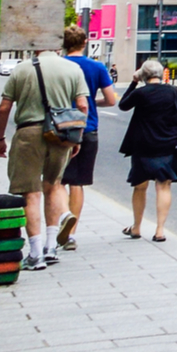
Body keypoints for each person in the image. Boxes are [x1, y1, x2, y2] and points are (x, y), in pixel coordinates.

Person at [0, 40, 89, 269]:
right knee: (54, 185)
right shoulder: (72, 69)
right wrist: (78, 137)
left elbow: (4, 107)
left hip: (29, 133)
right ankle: (51, 247)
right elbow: (83, 106)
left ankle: (35, 253)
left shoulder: (23, 68)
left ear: (36, 47)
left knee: (30, 192)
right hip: (61, 134)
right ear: (58, 47)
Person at [58, 25, 119, 253]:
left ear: (63, 44)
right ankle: (71, 233)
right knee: (78, 183)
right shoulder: (96, 67)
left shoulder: (59, 65)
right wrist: (94, 103)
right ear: (84, 43)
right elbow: (111, 100)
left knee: (56, 181)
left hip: (58, 128)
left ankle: (62, 216)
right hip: (87, 128)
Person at [118, 60, 177, 241]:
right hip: (168, 144)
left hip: (143, 144)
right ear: (162, 73)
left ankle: (136, 227)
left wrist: (133, 82)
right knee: (163, 185)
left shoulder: (140, 93)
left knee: (140, 186)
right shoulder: (175, 92)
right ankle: (159, 231)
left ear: (143, 75)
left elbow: (123, 105)